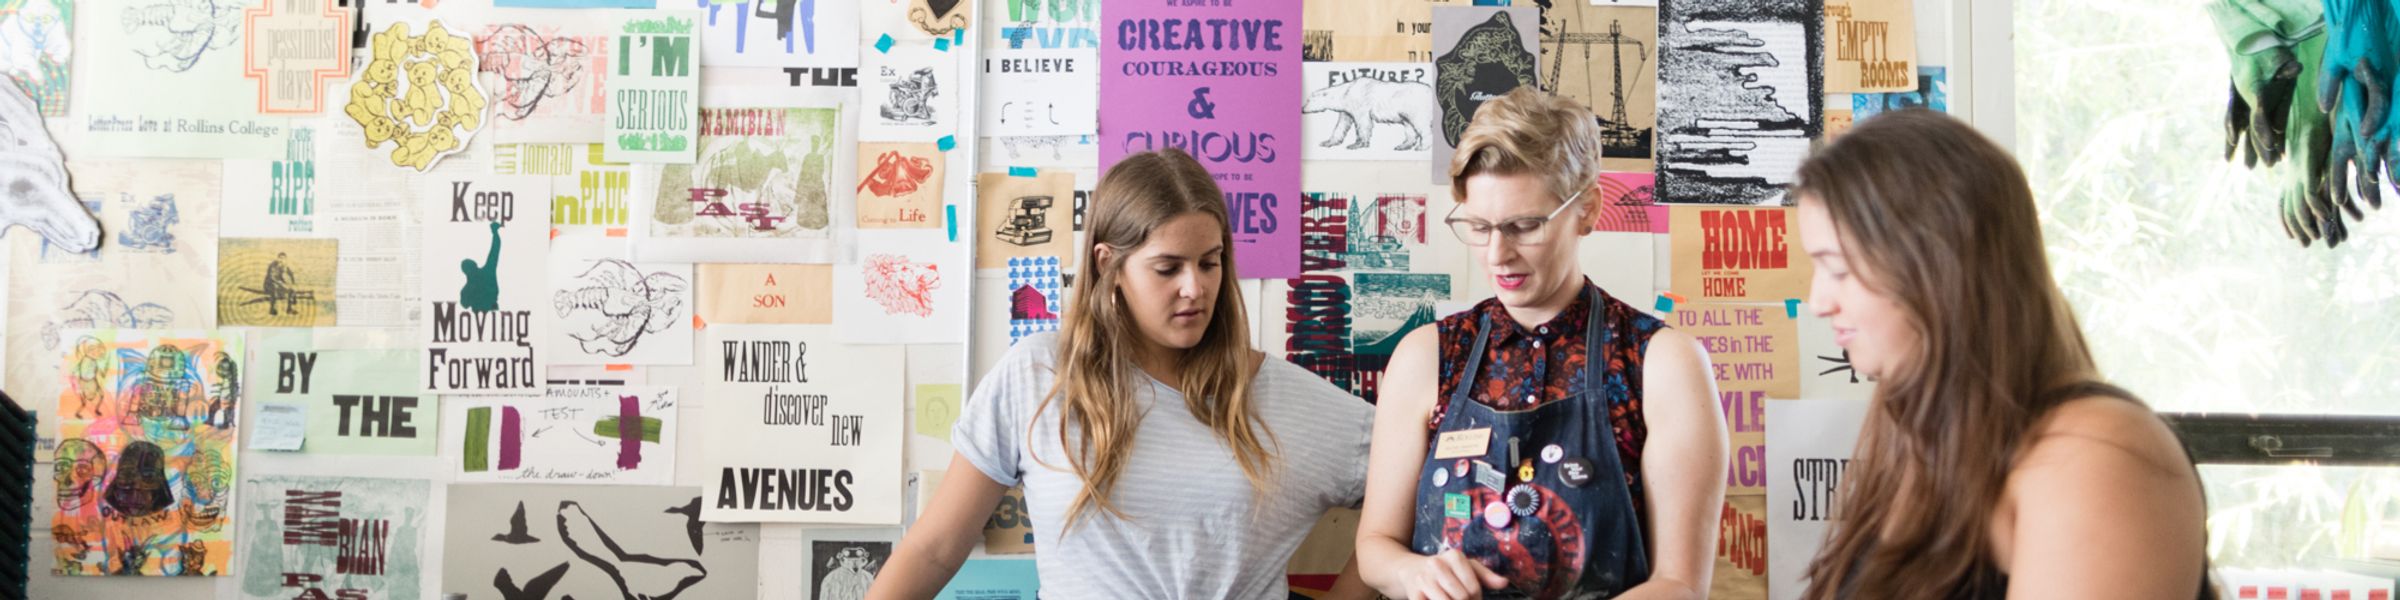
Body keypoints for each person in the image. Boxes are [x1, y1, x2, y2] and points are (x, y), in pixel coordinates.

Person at [872, 148, 1377, 599]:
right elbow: (935, 550)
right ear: (1109, 265)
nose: (1195, 288)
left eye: (1210, 263)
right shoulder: (1038, 374)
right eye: (1167, 268)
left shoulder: (1281, 396)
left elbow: (1427, 486)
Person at [1789, 109, 2213, 598]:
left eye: (1838, 269)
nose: (1819, 302)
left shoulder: (2094, 452)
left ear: (1937, 264)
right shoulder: (1921, 432)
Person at [1357, 87, 1728, 600]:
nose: (1497, 253)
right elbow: (1376, 546)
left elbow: (1681, 585)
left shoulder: (1661, 363)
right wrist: (1411, 573)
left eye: (1523, 226)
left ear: (1588, 210)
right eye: (1479, 226)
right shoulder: (1429, 355)